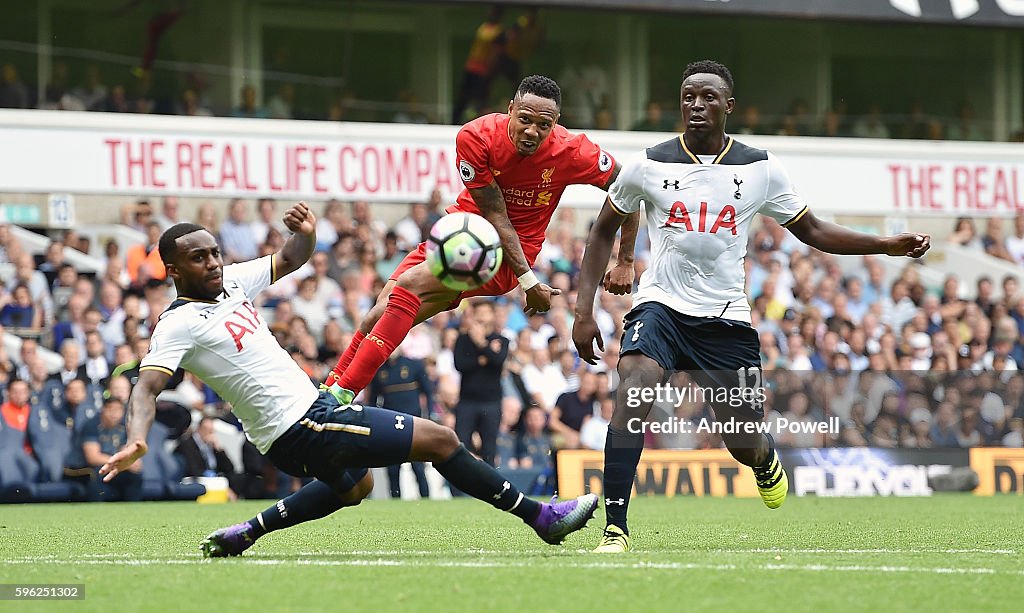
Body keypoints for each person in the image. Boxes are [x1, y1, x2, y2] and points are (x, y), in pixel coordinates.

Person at [571, 60, 931, 554]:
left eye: (708, 98)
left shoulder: (760, 168)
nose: (697, 105)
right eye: (689, 97)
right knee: (633, 394)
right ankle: (616, 528)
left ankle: (764, 461)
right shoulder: (648, 163)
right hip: (660, 307)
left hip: (725, 320)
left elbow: (815, 232)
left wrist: (885, 244)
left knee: (743, 444)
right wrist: (583, 312)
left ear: (729, 106)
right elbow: (603, 228)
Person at [100, 202, 598, 558]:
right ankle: (541, 518)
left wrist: (308, 230)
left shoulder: (231, 281)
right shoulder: (176, 323)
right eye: (197, 258)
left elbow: (292, 257)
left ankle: (246, 533)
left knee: (356, 486)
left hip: (305, 419)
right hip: (300, 424)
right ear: (172, 269)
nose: (211, 263)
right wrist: (137, 437)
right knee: (442, 440)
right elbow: (145, 386)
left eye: (213, 253)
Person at [322, 75, 640, 407]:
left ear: (556, 123)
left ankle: (343, 392)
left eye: (543, 125)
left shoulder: (573, 152)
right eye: (525, 119)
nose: (532, 131)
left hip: (505, 259)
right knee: (381, 310)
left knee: (407, 287)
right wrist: (531, 283)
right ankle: (331, 386)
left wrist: (626, 260)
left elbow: (630, 187)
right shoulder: (476, 137)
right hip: (464, 233)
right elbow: (495, 214)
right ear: (510, 110)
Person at [366, 352, 434, 499]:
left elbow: (428, 392)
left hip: (413, 423)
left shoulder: (414, 365)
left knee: (417, 466)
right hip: (391, 425)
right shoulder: (380, 370)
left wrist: (429, 416)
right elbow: (373, 400)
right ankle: (395, 498)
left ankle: (426, 498)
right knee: (392, 467)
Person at [452, 300, 508, 466]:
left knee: (489, 449)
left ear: (492, 315)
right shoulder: (462, 339)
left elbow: (498, 361)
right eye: (478, 313)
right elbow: (460, 365)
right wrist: (484, 357)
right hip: (466, 402)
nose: (482, 317)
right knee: (460, 446)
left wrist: (481, 344)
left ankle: (491, 490)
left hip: (491, 403)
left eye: (485, 312)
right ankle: (458, 490)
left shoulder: (501, 339)